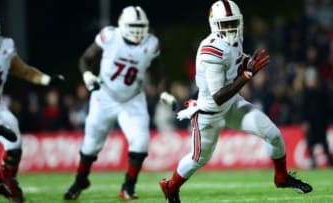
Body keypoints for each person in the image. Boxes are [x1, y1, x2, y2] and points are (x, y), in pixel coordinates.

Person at [159, 1, 313, 203]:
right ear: (215, 24)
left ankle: (281, 177)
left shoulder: (235, 39)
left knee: (273, 134)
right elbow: (218, 95)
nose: (231, 28)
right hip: (210, 113)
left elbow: (236, 64)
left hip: (231, 105)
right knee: (199, 159)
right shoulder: (210, 50)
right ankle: (170, 187)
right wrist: (248, 75)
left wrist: (247, 63)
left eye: (233, 23)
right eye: (226, 23)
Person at [64, 5, 176, 201]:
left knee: (141, 142)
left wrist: (164, 92)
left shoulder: (151, 43)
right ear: (122, 25)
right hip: (104, 95)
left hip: (132, 98)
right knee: (90, 145)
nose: (137, 30)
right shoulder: (110, 37)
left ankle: (128, 187)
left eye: (141, 26)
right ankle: (79, 181)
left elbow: (159, 72)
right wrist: (87, 74)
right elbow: (86, 59)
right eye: (133, 25)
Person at [0, 11, 64, 202]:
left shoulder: (5, 47)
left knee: (15, 146)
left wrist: (47, 80)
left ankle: (8, 181)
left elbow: (23, 71)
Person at [301, 67, 333, 168]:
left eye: (313, 78)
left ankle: (330, 162)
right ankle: (312, 162)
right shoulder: (305, 93)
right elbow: (303, 109)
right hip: (310, 123)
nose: (311, 81)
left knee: (324, 143)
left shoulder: (322, 92)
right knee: (310, 143)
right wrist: (304, 121)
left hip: (321, 122)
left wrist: (327, 120)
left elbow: (328, 107)